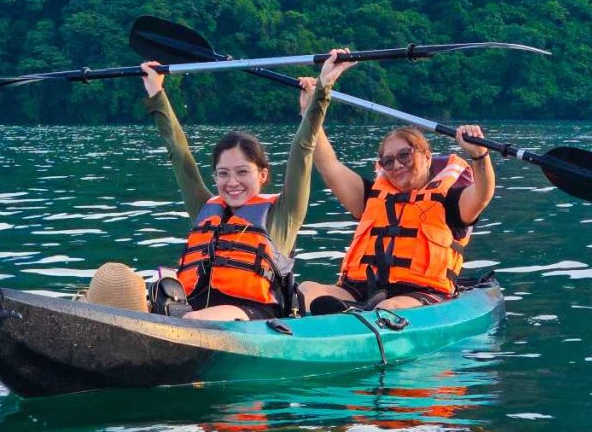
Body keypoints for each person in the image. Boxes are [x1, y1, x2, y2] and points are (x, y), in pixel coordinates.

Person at [141, 50, 353, 321]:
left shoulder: (284, 213)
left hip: (255, 315)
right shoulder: (204, 207)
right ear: (215, 176)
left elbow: (303, 148)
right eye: (223, 173)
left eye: (242, 172)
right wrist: (156, 92)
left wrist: (323, 89)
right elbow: (179, 154)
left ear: (263, 175)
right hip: (195, 312)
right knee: (120, 288)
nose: (232, 183)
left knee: (193, 320)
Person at [296, 79, 495, 313]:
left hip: (420, 294)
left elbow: (482, 195)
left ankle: (353, 321)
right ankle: (333, 320)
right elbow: (327, 163)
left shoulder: (450, 201)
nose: (397, 165)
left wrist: (480, 156)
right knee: (307, 290)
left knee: (389, 307)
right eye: (388, 161)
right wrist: (311, 111)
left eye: (405, 155)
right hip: (359, 291)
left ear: (427, 156)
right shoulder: (371, 196)